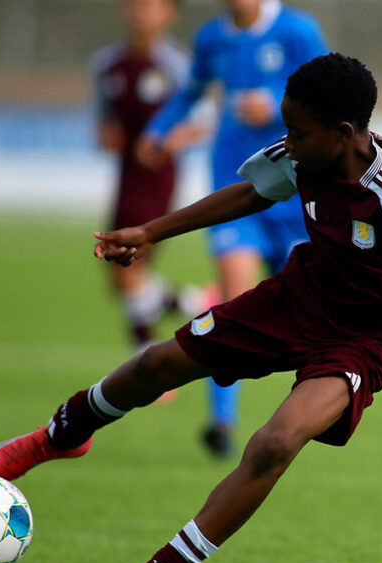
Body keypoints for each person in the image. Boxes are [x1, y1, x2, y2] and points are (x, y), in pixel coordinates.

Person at [0, 53, 382, 563]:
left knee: (275, 443)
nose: (288, 143)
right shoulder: (305, 153)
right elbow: (252, 193)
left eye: (298, 132)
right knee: (157, 364)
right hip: (297, 300)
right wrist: (150, 232)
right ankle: (60, 435)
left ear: (344, 133)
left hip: (362, 341)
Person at [138, 0, 329, 457]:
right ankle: (221, 421)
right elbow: (191, 91)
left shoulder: (298, 30)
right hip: (235, 187)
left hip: (296, 190)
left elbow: (331, 96)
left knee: (313, 309)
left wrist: (277, 104)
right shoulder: (212, 37)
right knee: (233, 301)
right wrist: (158, 130)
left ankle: (312, 415)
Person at [90, 0, 207, 353]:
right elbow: (102, 122)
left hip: (159, 177)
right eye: (135, 4)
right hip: (125, 176)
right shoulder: (106, 64)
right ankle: (195, 303)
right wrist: (106, 136)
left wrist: (165, 142)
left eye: (151, 5)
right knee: (120, 275)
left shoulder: (178, 65)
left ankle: (144, 360)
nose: (142, 11)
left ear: (170, 13)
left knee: (127, 267)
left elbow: (202, 123)